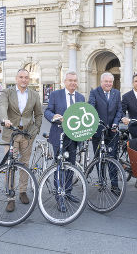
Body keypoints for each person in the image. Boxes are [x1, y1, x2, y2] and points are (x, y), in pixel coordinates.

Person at [0, 69, 43, 212]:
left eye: (26, 77)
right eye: (21, 77)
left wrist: (35, 130)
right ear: (16, 78)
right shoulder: (7, 92)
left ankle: (22, 191)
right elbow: (3, 106)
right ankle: (10, 197)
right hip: (11, 133)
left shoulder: (34, 94)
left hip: (27, 134)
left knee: (25, 163)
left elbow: (39, 114)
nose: (24, 80)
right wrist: (4, 119)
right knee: (10, 164)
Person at [44, 71, 85, 212]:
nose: (73, 83)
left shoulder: (80, 97)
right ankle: (59, 195)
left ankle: (67, 192)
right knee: (59, 166)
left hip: (74, 137)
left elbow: (83, 117)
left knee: (71, 165)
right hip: (59, 136)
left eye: (75, 80)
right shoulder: (56, 95)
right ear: (64, 82)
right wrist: (53, 116)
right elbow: (47, 111)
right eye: (70, 80)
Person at [88, 72, 122, 196]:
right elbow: (91, 108)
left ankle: (114, 185)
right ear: (101, 81)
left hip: (112, 132)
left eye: (110, 82)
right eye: (106, 81)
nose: (108, 84)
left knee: (113, 158)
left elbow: (119, 110)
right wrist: (97, 123)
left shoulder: (116, 93)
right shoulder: (94, 92)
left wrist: (115, 123)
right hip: (98, 131)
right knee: (99, 158)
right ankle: (102, 181)